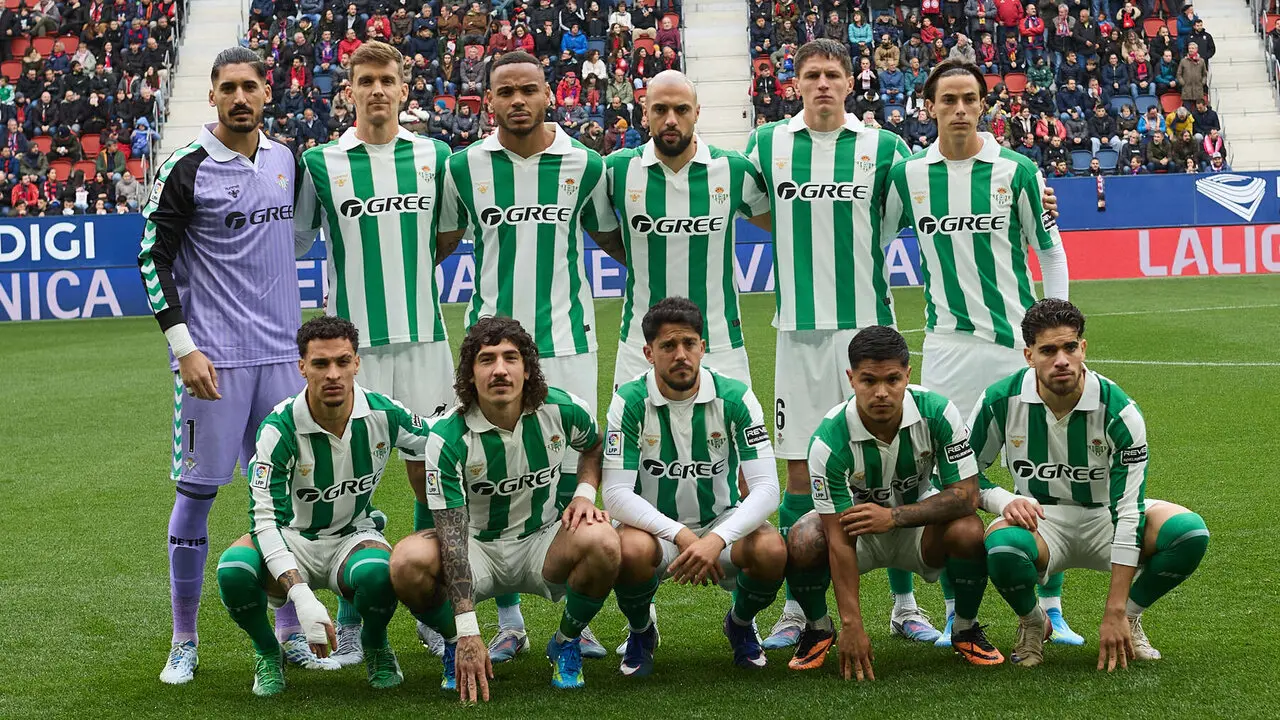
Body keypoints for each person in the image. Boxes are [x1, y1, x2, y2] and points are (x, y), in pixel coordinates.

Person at [140, 47, 335, 686]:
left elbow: (310, 237)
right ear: (214, 96)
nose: (240, 98)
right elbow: (152, 259)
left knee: (286, 497)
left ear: (267, 91)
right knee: (196, 495)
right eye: (228, 88)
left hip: (284, 360)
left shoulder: (288, 161)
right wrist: (183, 347)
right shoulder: (185, 168)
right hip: (214, 365)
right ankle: (184, 640)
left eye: (250, 86)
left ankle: (287, 633)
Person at [883, 59, 1079, 646]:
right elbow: (866, 234)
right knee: (932, 470)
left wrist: (1056, 329)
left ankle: (1052, 607)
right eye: (949, 100)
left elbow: (1051, 249)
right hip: (945, 344)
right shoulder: (909, 175)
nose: (961, 109)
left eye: (970, 98)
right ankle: (951, 609)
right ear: (931, 106)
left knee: (1042, 465)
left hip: (1013, 344)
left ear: (984, 104)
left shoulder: (1016, 170)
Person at [436, 50, 620, 662]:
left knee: (566, 466)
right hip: (488, 349)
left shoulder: (584, 165)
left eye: (529, 90)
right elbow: (438, 241)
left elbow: (611, 236)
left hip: (566, 340)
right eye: (504, 91)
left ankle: (574, 620)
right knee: (484, 466)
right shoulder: (463, 169)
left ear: (549, 95)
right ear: (488, 101)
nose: (517, 101)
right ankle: (509, 617)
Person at [293, 40, 457, 665]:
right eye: (366, 80)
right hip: (349, 350)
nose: (378, 90)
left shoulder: (433, 157)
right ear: (349, 90)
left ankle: (431, 605)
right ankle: (352, 614)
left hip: (423, 341)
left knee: (431, 472)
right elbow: (302, 236)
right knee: (338, 476)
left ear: (405, 86)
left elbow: (444, 233)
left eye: (388, 78)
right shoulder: (320, 162)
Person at [388, 317, 621, 698]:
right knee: (406, 562)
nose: (500, 369)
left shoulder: (562, 410)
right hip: (475, 546)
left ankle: (566, 641)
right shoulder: (447, 437)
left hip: (542, 541)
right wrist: (467, 632)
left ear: (527, 369)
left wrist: (583, 493)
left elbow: (594, 445)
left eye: (510, 358)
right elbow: (451, 538)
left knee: (605, 542)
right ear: (470, 373)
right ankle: (452, 645)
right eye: (486, 359)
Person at [976, 299, 1209, 668]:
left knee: (1188, 533)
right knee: (1002, 547)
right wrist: (1002, 499)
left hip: (1107, 516)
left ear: (1083, 348)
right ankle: (1034, 623)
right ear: (1029, 355)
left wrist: (1115, 609)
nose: (1061, 360)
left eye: (1070, 347)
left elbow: (1129, 509)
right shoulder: (1000, 401)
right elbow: (962, 476)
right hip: (1041, 522)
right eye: (1048, 350)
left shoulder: (1119, 410)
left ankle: (1130, 619)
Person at [782, 325, 1002, 675]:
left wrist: (894, 517)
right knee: (803, 537)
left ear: (907, 376)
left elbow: (966, 495)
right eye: (869, 381)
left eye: (893, 380)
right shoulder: (828, 439)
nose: (881, 392)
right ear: (851, 378)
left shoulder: (938, 413)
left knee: (968, 530)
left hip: (917, 528)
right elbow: (837, 539)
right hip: (856, 533)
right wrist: (853, 624)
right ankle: (820, 628)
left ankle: (964, 628)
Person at [215, 316, 416, 696]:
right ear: (302, 367)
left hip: (351, 536)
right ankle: (267, 652)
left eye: (343, 362)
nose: (333, 374)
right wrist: (302, 598)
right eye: (321, 364)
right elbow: (264, 520)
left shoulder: (384, 413)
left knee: (379, 574)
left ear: (357, 362)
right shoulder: (279, 428)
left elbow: (440, 442)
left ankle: (375, 646)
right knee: (234, 571)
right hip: (291, 537)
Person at [603, 298, 784, 674]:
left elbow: (767, 487)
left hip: (721, 524)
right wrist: (683, 535)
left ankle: (740, 623)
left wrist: (715, 539)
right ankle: (641, 631)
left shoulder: (735, 397)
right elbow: (616, 495)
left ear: (703, 347)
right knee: (627, 549)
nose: (681, 354)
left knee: (770, 549)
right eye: (668, 346)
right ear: (649, 353)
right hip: (656, 532)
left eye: (689, 344)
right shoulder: (630, 400)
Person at [605, 71, 765, 391]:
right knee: (637, 441)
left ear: (697, 112)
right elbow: (596, 226)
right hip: (641, 345)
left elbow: (784, 223)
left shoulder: (733, 170)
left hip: (719, 344)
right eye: (660, 110)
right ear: (645, 113)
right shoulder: (617, 170)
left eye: (681, 109)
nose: (671, 120)